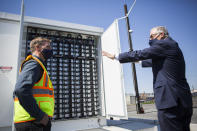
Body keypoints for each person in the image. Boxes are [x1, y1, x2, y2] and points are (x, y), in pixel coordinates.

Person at [102, 26, 193, 131]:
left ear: (162, 35)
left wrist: (114, 56)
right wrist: (137, 60)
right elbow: (148, 60)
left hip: (169, 99)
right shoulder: (172, 47)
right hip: (183, 99)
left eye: (152, 36)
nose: (150, 39)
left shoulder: (165, 44)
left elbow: (141, 54)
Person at [13, 37, 54, 131]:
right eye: (48, 47)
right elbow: (21, 90)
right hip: (33, 123)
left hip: (33, 121)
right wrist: (41, 116)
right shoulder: (33, 64)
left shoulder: (37, 65)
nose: (50, 49)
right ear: (37, 47)